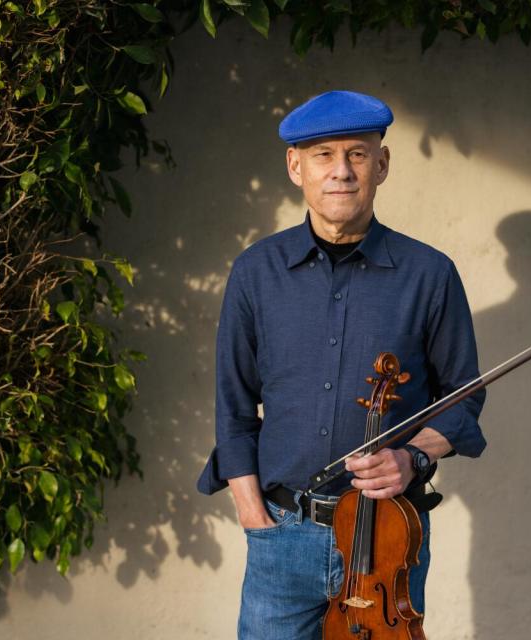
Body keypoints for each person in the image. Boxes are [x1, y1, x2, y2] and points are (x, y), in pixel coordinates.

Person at [197, 90, 487, 640]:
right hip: (281, 536)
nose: (342, 172)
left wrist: (411, 457)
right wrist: (253, 514)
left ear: (381, 165)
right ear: (295, 166)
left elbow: (463, 397)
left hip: (388, 538)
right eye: (324, 155)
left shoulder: (429, 274)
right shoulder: (255, 273)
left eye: (357, 154)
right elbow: (232, 404)